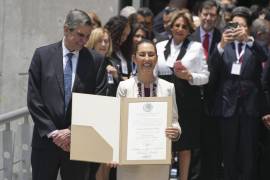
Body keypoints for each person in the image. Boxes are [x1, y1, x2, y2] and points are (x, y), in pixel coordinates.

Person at [27, 9, 102, 180]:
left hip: (79, 142)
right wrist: (54, 133)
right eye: (80, 35)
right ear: (66, 29)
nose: (84, 41)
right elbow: (34, 99)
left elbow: (98, 101)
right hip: (45, 143)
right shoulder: (42, 56)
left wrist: (72, 131)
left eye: (87, 36)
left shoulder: (95, 61)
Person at [208, 6, 270, 180]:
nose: (236, 29)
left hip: (250, 107)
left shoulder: (254, 45)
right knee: (228, 153)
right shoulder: (223, 45)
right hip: (227, 106)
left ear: (248, 28)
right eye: (233, 24)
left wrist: (249, 40)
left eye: (241, 25)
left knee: (248, 152)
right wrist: (221, 45)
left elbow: (265, 57)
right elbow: (212, 68)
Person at [116, 39, 181, 180]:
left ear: (156, 59)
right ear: (134, 58)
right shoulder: (124, 87)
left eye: (151, 54)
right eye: (142, 54)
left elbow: (174, 120)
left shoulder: (168, 87)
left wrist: (175, 131)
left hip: (158, 160)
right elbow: (117, 122)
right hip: (130, 160)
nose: (147, 58)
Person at [156, 10, 209, 180]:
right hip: (164, 99)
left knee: (185, 145)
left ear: (189, 30)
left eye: (184, 26)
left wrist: (189, 76)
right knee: (166, 141)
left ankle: (184, 178)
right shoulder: (159, 46)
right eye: (177, 25)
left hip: (187, 99)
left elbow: (205, 77)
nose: (180, 29)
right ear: (171, 27)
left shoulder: (196, 47)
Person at [190, 1, 222, 180]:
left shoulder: (223, 37)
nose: (208, 18)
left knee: (212, 147)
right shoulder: (190, 37)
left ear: (216, 17)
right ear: (199, 14)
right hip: (193, 99)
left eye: (212, 15)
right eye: (205, 14)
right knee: (194, 148)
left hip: (214, 101)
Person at [105, 16, 131, 80]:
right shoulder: (105, 49)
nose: (124, 39)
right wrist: (120, 78)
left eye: (127, 35)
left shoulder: (123, 50)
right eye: (123, 34)